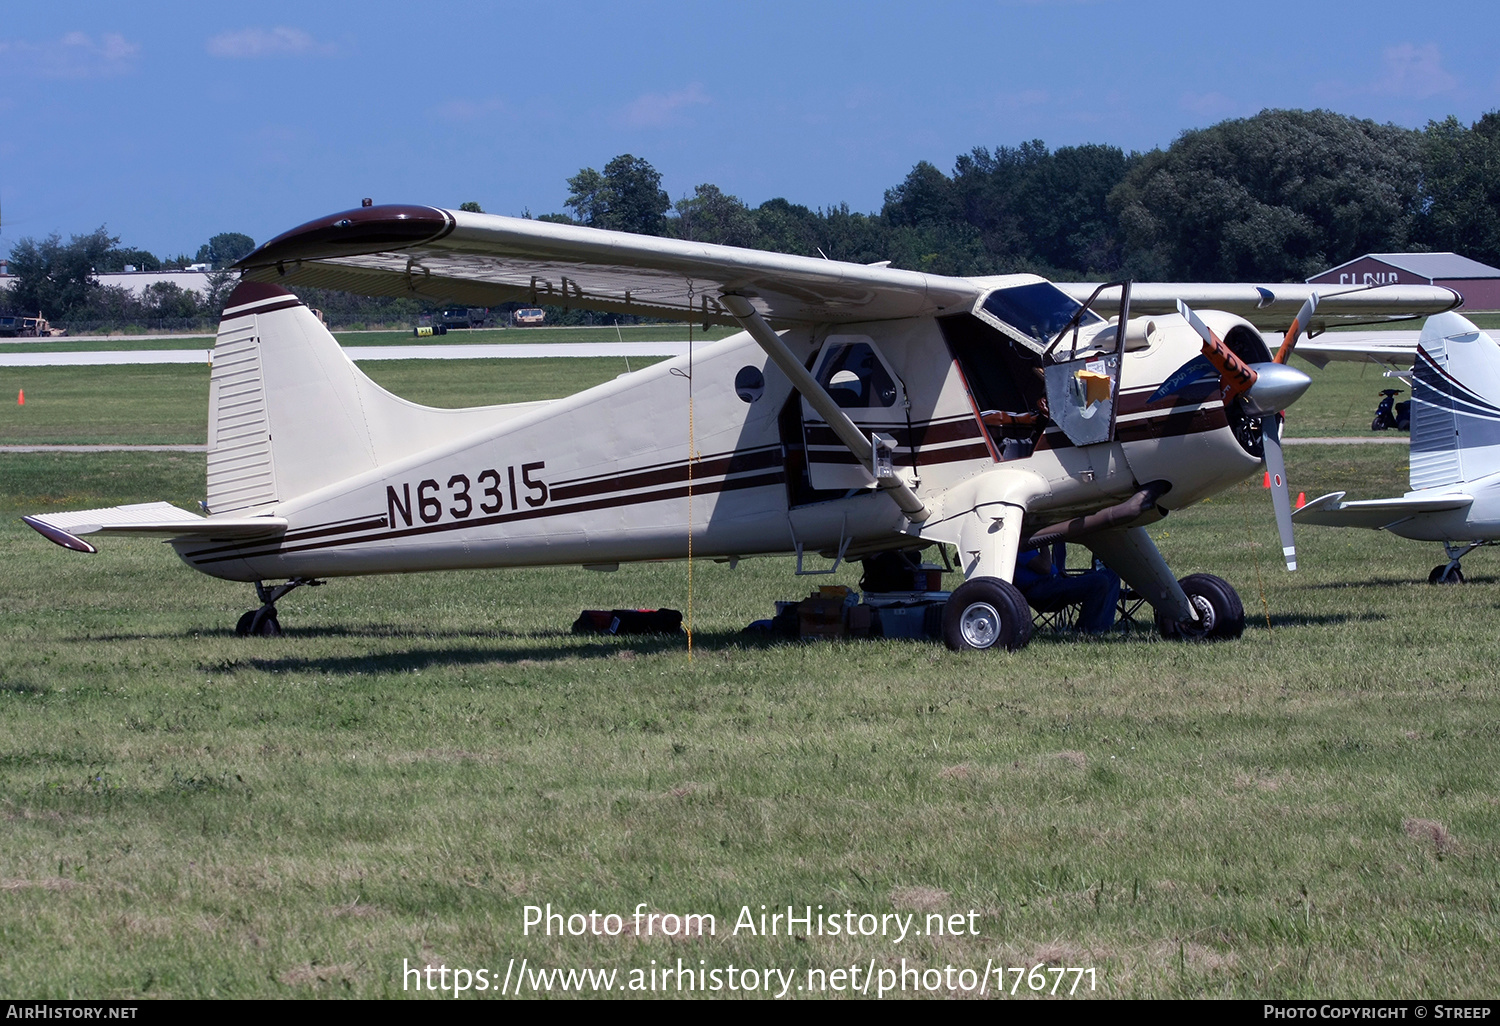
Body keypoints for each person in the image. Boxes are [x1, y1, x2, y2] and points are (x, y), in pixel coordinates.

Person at [1012, 542, 1120, 633]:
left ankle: (1104, 627)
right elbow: (1045, 567)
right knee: (1099, 582)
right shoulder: (1018, 545)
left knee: (1111, 576)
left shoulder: (1026, 544)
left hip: (1055, 581)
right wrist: (1043, 543)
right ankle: (1085, 631)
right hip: (1041, 590)